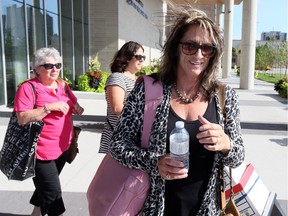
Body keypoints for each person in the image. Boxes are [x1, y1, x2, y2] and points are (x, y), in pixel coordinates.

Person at [109, 4, 245, 216]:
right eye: (190, 46)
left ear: (213, 54)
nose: (199, 54)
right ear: (175, 48)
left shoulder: (224, 97)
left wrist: (226, 144)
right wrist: (155, 163)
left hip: (205, 210)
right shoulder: (148, 90)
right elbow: (117, 144)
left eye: (206, 48)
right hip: (154, 209)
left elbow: (237, 157)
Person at [13, 47, 84, 216]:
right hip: (40, 152)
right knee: (53, 194)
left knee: (45, 187)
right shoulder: (28, 88)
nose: (55, 69)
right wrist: (48, 108)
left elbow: (73, 104)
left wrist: (77, 108)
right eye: (49, 66)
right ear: (36, 68)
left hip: (63, 148)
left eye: (58, 65)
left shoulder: (62, 85)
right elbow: (22, 117)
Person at [98, 41, 145, 153]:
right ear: (127, 57)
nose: (142, 60)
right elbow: (117, 108)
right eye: (139, 57)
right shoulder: (117, 78)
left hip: (132, 138)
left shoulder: (138, 80)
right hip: (117, 138)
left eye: (144, 57)